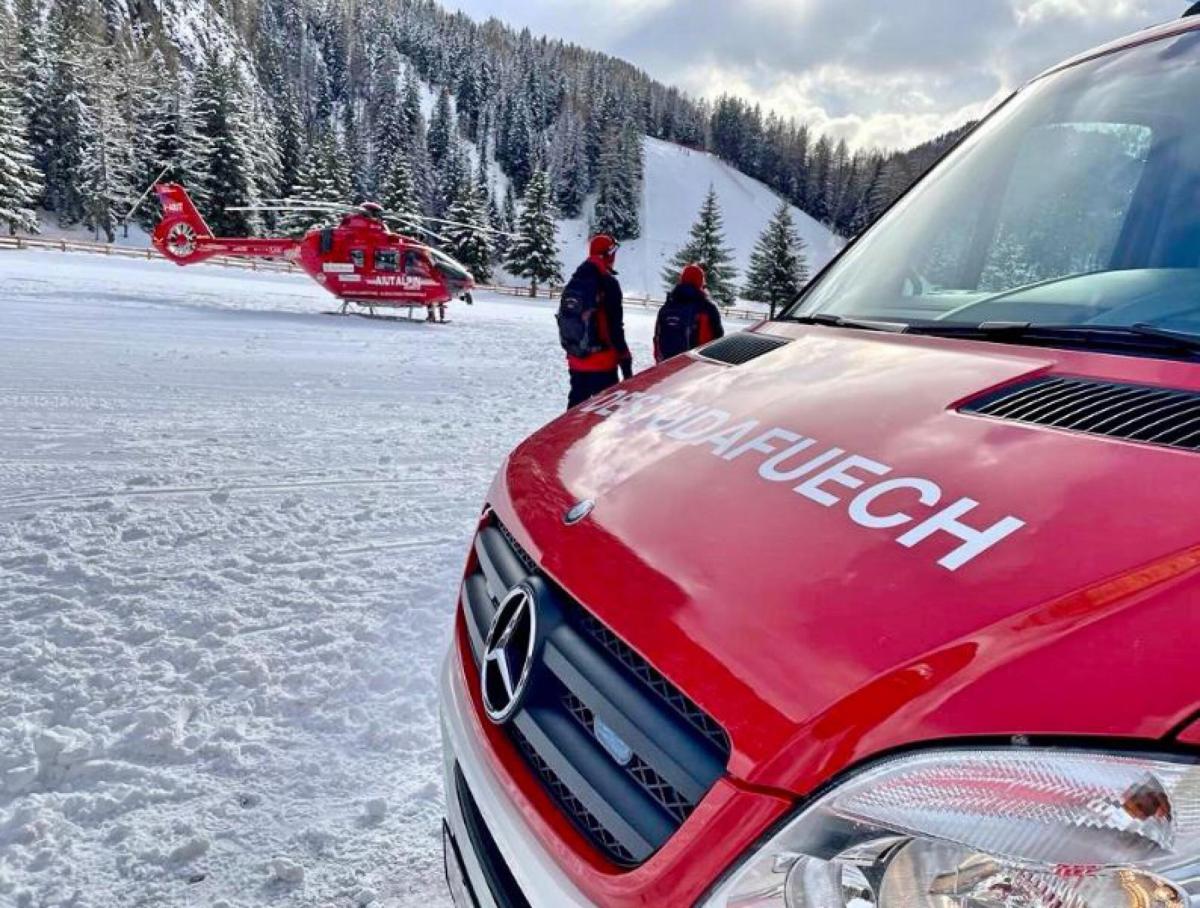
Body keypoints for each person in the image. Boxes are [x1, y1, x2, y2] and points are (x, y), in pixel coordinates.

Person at [557, 234, 633, 408]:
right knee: (605, 419)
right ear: (608, 255)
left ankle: (571, 436)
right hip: (602, 363)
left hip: (576, 358)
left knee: (575, 415)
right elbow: (615, 328)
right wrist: (625, 361)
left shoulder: (575, 280)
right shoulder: (608, 283)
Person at [654, 263, 724, 362]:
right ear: (700, 282)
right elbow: (719, 342)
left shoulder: (667, 307)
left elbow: (657, 339)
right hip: (695, 368)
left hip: (666, 366)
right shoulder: (707, 308)